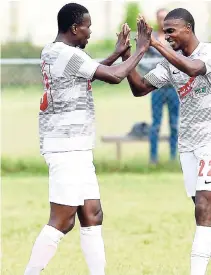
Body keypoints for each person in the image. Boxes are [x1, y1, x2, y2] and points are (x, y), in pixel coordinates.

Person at [24, 3, 152, 275]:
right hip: (66, 146)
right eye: (87, 27)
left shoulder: (55, 51)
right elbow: (115, 76)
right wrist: (141, 48)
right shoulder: (67, 54)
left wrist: (118, 53)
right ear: (74, 28)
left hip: (77, 146)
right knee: (63, 220)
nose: (90, 32)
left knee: (92, 214)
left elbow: (91, 70)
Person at [122, 9, 211, 275]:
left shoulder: (209, 52)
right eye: (164, 31)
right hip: (188, 143)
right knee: (210, 214)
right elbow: (139, 87)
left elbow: (193, 69)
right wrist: (131, 53)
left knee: (203, 208)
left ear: (188, 28)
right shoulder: (168, 64)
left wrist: (157, 44)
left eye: (171, 30)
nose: (167, 35)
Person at [139, 8, 179, 163]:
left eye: (165, 18)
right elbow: (142, 58)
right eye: (160, 18)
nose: (162, 21)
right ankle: (153, 158)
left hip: (173, 88)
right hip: (156, 88)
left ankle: (173, 158)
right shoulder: (151, 38)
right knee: (155, 124)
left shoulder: (174, 38)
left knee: (175, 124)